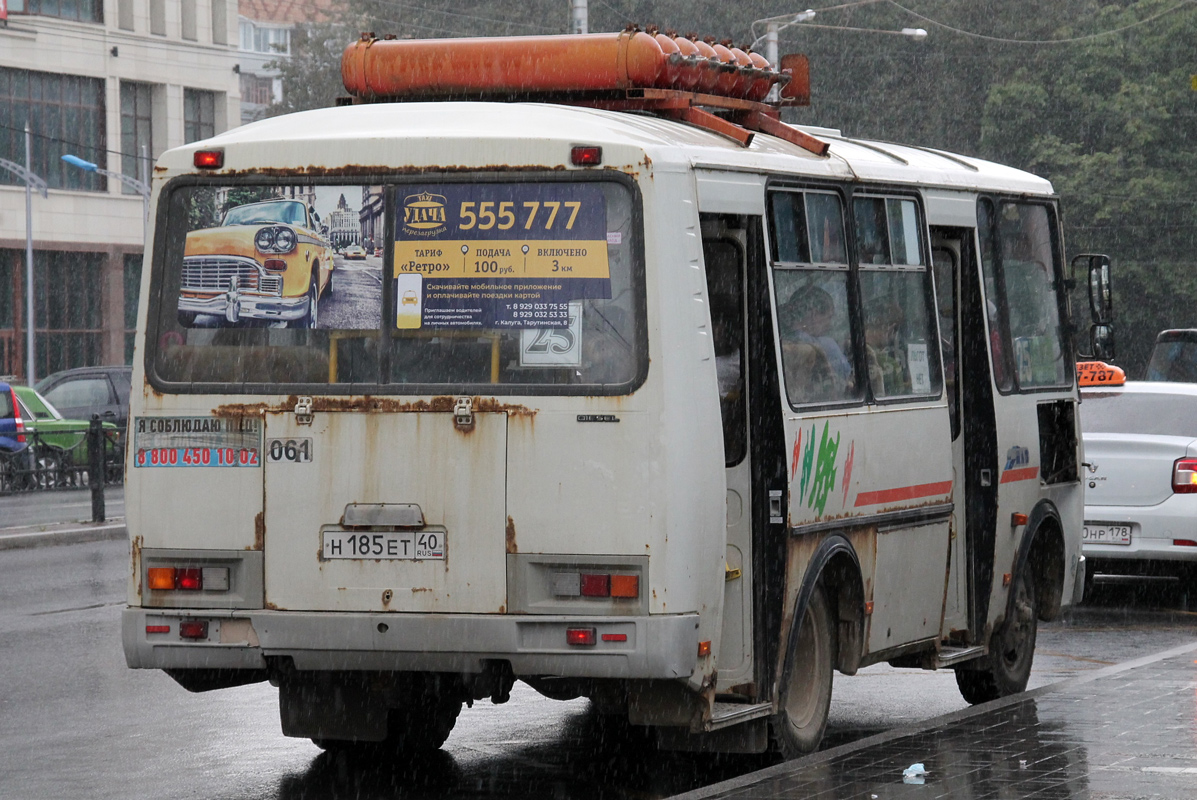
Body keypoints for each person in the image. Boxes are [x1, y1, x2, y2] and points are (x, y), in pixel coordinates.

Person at [778, 285, 853, 402]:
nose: (830, 325)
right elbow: (847, 381)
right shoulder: (827, 345)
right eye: (828, 317)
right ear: (814, 314)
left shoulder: (778, 339)